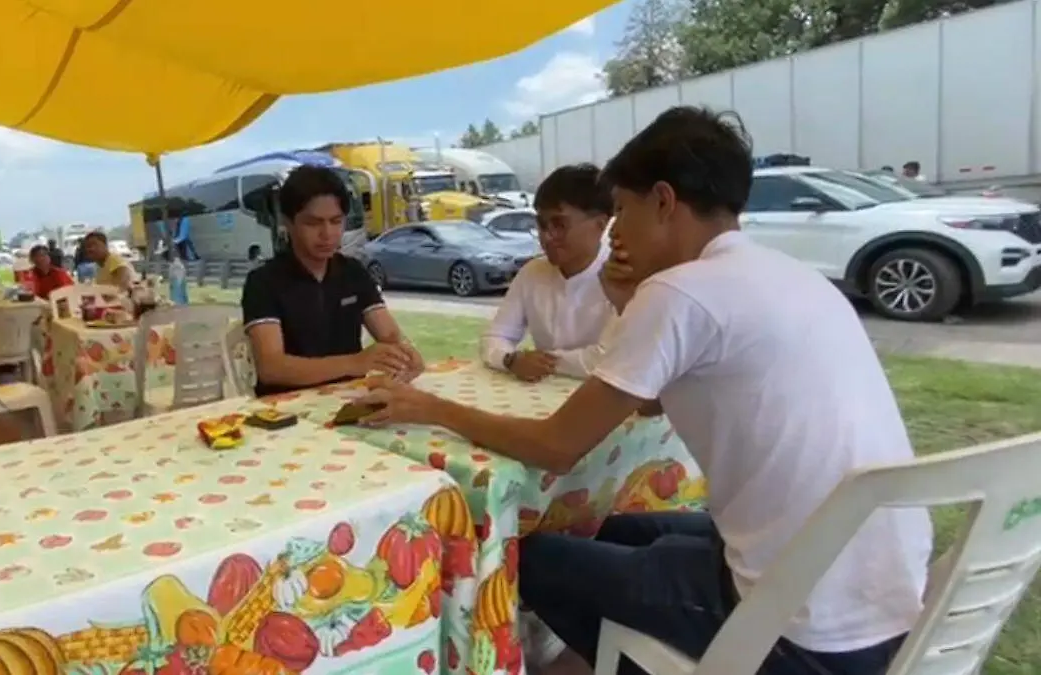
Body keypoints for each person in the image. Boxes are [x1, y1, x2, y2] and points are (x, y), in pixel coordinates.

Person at [356, 107, 931, 675]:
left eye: (621, 212)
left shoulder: (681, 291)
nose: (616, 232)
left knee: (530, 557)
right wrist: (626, 301)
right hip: (880, 590)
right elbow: (655, 398)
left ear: (663, 201)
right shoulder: (791, 274)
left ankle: (642, 663)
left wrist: (428, 407)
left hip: (800, 626)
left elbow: (557, 447)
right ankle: (630, 650)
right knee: (607, 528)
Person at [242, 165, 424, 397]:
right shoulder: (263, 282)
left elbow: (389, 335)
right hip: (285, 411)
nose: (327, 234)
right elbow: (272, 368)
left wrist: (404, 352)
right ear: (288, 223)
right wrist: (354, 363)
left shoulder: (353, 272)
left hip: (348, 401)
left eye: (336, 221)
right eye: (313, 223)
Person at [481, 163, 617, 381]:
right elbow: (495, 336)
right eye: (542, 225)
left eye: (559, 225)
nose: (547, 236)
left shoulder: (623, 277)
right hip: (540, 398)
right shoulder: (532, 273)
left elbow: (607, 358)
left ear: (601, 224)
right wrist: (510, 360)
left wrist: (540, 362)